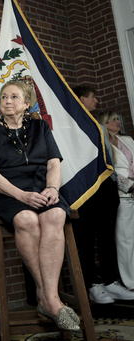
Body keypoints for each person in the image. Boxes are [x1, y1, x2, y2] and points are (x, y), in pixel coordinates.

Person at [0, 80, 80, 331]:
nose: (7, 101)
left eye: (13, 97)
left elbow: (54, 163)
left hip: (40, 186)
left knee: (55, 216)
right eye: (3, 97)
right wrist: (21, 196)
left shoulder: (40, 127)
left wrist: (52, 188)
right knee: (27, 219)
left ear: (26, 104)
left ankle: (47, 297)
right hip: (3, 190)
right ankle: (50, 298)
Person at [71, 86, 134, 304]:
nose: (96, 101)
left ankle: (110, 281)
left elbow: (108, 158)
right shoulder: (71, 123)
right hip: (86, 189)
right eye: (92, 97)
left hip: (106, 188)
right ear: (81, 99)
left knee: (107, 237)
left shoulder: (96, 126)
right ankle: (93, 285)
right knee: (86, 239)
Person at [99, 111, 134, 291]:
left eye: (118, 119)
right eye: (113, 119)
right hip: (123, 194)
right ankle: (130, 281)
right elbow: (110, 170)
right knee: (125, 240)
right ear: (104, 123)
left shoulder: (127, 140)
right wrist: (130, 186)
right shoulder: (103, 144)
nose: (117, 122)